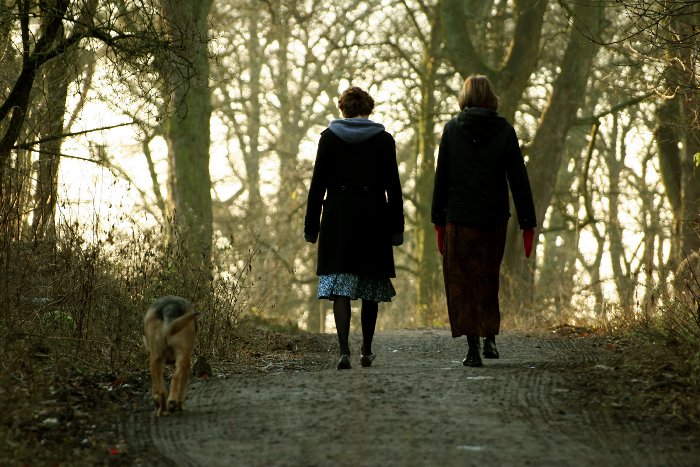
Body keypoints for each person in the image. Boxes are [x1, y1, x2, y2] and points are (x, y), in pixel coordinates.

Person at [431, 74, 536, 367]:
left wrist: (437, 218)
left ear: (464, 98)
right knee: (487, 277)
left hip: (460, 218)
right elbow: (518, 178)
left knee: (461, 282)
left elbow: (442, 178)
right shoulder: (504, 131)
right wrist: (528, 220)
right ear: (491, 98)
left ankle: (473, 348)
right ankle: (489, 337)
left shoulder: (451, 130)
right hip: (494, 218)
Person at [304, 86, 405, 370]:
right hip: (373, 216)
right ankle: (367, 350)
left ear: (343, 109)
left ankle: (344, 350)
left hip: (338, 217)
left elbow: (317, 185)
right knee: (370, 285)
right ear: (368, 109)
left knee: (341, 287)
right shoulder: (384, 140)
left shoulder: (328, 139)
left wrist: (311, 226)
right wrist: (397, 228)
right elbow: (393, 188)